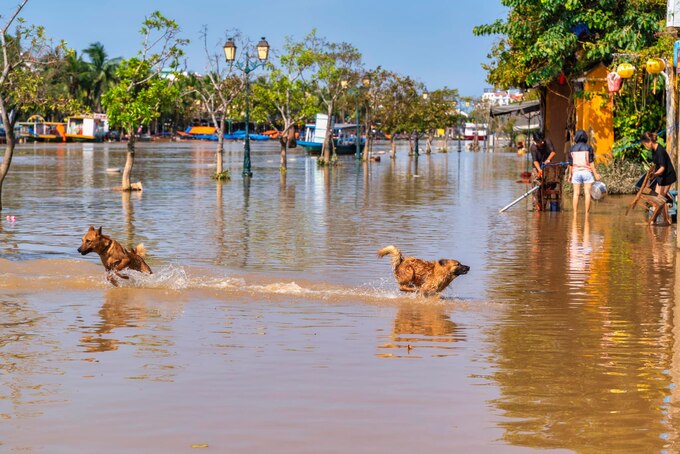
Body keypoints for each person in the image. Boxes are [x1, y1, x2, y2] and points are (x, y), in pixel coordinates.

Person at [566, 129, 600, 215]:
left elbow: (571, 164)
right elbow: (591, 162)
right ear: (585, 137)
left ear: (576, 138)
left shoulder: (572, 149)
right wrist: (595, 174)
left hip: (576, 173)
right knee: (587, 194)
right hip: (587, 172)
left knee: (576, 194)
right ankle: (587, 214)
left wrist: (570, 175)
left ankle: (575, 213)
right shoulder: (589, 147)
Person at [641, 131, 676, 202]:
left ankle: (667, 198)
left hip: (667, 177)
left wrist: (654, 174)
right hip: (661, 177)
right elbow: (657, 164)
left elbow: (662, 168)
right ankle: (666, 200)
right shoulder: (654, 149)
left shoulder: (660, 151)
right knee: (656, 198)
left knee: (660, 200)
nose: (646, 146)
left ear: (650, 142)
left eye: (645, 144)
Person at [530, 132, 556, 210]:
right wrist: (539, 170)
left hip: (547, 165)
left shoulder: (547, 142)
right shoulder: (533, 148)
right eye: (538, 142)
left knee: (550, 184)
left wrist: (548, 159)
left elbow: (553, 152)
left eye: (541, 141)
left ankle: (545, 203)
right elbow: (535, 161)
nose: (540, 144)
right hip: (537, 167)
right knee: (536, 185)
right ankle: (536, 205)